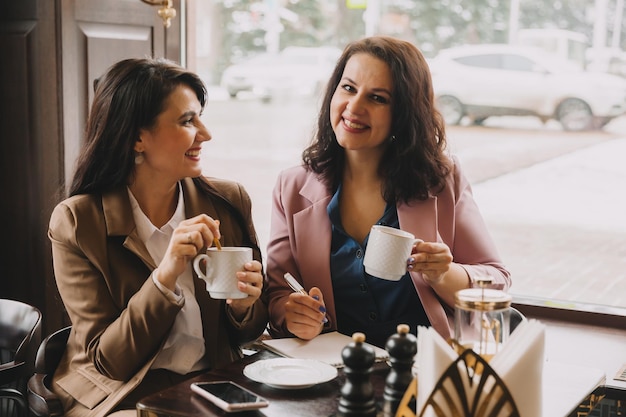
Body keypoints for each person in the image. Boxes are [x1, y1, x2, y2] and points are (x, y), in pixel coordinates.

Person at [48, 57, 268, 416]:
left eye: (200, 116)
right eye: (186, 121)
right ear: (137, 137)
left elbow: (247, 333)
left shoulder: (228, 202)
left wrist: (244, 307)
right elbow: (110, 361)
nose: (205, 133)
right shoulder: (77, 222)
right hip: (123, 395)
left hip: (213, 385)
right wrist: (165, 276)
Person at [265, 36, 511, 348]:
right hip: (334, 370)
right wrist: (292, 313)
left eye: (378, 98)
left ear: (404, 113)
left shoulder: (441, 180)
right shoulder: (291, 188)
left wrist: (443, 274)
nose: (354, 107)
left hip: (426, 367)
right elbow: (277, 293)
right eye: (349, 88)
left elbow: (496, 282)